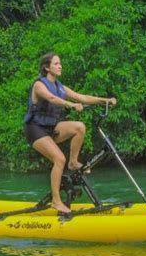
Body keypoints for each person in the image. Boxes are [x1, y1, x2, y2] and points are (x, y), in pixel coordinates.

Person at [24, 52, 117, 214]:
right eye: (56, 64)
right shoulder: (39, 85)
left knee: (79, 127)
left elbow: (82, 97)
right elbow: (51, 99)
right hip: (35, 129)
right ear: (47, 67)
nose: (60, 66)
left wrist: (105, 100)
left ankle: (73, 162)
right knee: (59, 158)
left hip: (51, 129)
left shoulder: (60, 86)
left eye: (60, 63)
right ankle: (56, 201)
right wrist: (71, 105)